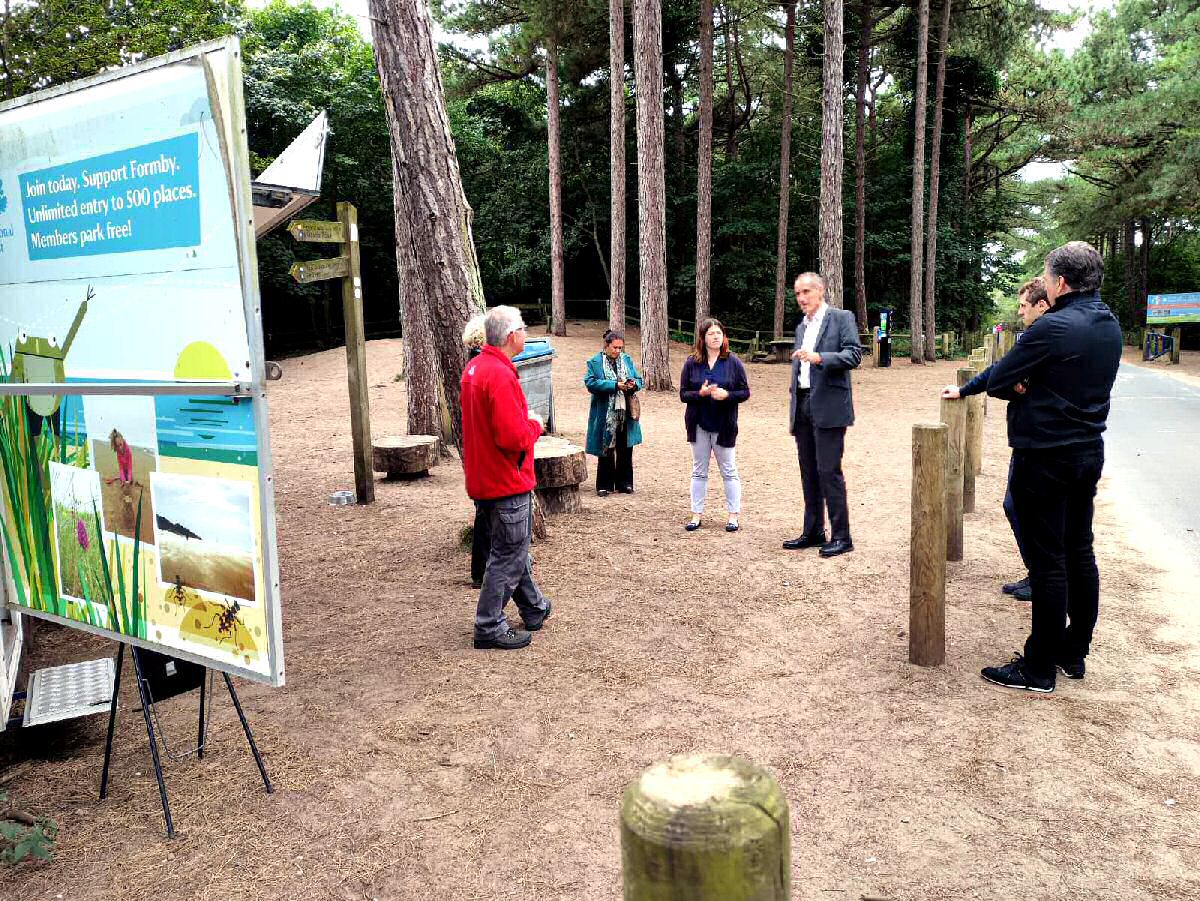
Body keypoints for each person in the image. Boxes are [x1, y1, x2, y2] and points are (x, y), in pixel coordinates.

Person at [979, 242, 1122, 692]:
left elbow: (1000, 379)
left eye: (1047, 276)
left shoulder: (1053, 327)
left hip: (1044, 456)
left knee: (1048, 563)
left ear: (1060, 283)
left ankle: (1038, 667)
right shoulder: (1111, 325)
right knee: (1080, 552)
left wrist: (1024, 385)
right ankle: (1073, 652)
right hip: (1087, 452)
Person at [942, 277, 1050, 602]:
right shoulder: (1038, 336)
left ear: (1041, 305)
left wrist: (1004, 383)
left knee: (1021, 507)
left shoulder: (1042, 336)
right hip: (1028, 435)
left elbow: (1002, 374)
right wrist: (966, 389)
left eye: (1023, 305)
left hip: (1040, 438)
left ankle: (1043, 577)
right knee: (1019, 506)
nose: (1019, 312)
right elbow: (1002, 377)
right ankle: (1039, 573)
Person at [460, 306, 553, 650]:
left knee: (510, 548)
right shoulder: (498, 374)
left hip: (486, 477)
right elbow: (512, 437)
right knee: (509, 552)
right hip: (505, 479)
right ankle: (489, 625)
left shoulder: (476, 368)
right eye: (524, 329)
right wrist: (535, 424)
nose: (527, 334)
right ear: (512, 335)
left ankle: (533, 607)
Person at [782, 273, 862, 557]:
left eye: (806, 292)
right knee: (809, 472)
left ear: (820, 291)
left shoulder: (841, 318)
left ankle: (842, 536)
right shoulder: (801, 327)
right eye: (797, 294)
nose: (801, 298)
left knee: (829, 471)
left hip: (830, 406)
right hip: (803, 404)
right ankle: (814, 530)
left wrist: (820, 358)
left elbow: (854, 355)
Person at [679, 318, 751, 532]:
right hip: (698, 423)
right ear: (703, 338)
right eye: (711, 333)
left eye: (719, 333)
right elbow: (683, 394)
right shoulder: (692, 362)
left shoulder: (733, 362)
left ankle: (733, 516)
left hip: (724, 424)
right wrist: (700, 393)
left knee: (729, 470)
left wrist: (727, 395)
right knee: (699, 470)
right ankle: (696, 515)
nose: (715, 336)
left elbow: (745, 392)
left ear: (724, 336)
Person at [584, 329, 644, 496]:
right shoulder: (594, 362)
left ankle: (625, 483)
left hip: (625, 411)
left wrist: (633, 385)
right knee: (606, 446)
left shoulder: (626, 360)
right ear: (606, 345)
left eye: (620, 348)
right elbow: (590, 383)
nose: (618, 351)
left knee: (625, 446)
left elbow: (640, 380)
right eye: (615, 347)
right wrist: (614, 385)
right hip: (606, 412)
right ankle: (604, 485)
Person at [462, 313, 491, 589]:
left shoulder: (471, 365)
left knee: (485, 514)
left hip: (475, 452)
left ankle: (481, 569)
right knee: (486, 516)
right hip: (484, 454)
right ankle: (481, 571)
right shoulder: (481, 366)